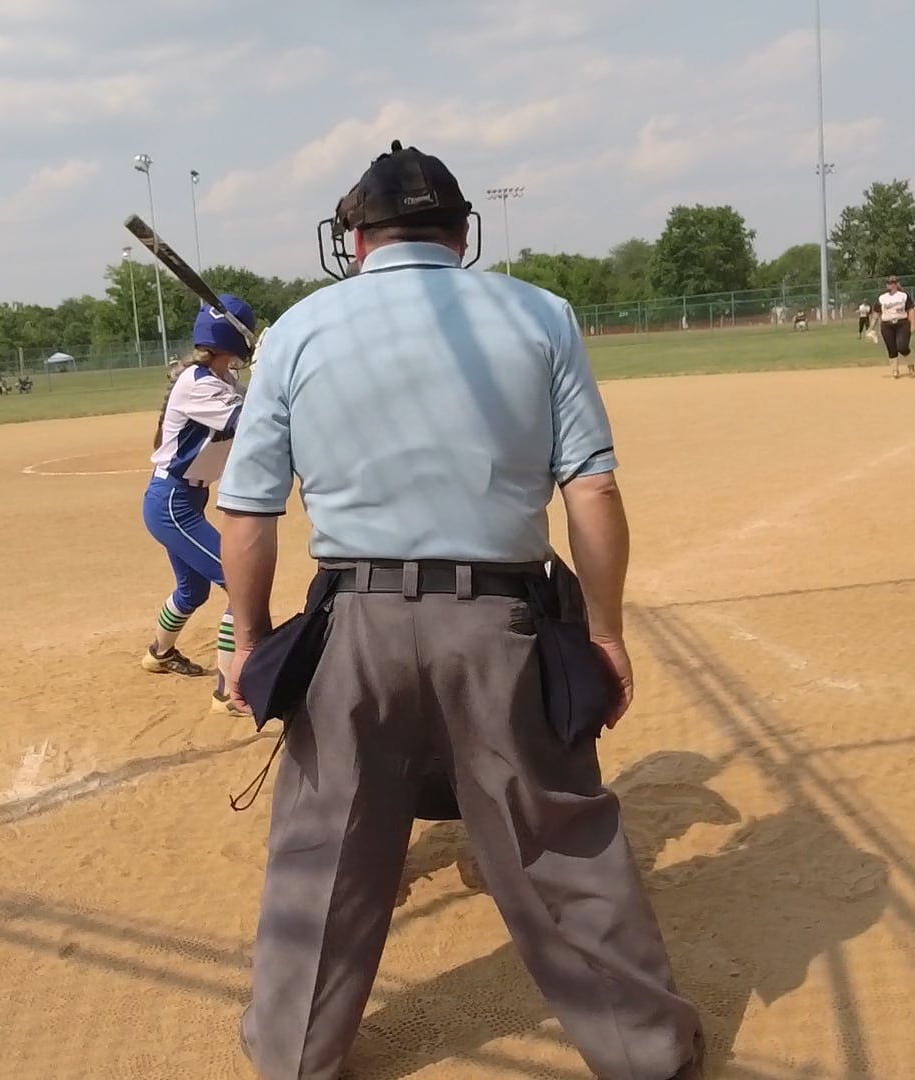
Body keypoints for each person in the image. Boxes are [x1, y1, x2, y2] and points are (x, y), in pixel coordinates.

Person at [216, 142, 702, 1080]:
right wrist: (605, 634)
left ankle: (293, 1054)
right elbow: (592, 491)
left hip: (353, 622)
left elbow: (247, 514)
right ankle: (646, 1057)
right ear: (462, 233)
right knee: (557, 843)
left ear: (356, 239)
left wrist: (251, 639)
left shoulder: (298, 330)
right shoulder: (539, 313)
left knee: (325, 851)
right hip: (499, 623)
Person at [138, 293, 259, 718]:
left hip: (183, 499)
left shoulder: (221, 379)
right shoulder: (200, 382)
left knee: (193, 589)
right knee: (238, 581)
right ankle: (226, 693)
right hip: (172, 503)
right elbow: (250, 420)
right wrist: (267, 371)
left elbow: (250, 401)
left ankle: (159, 653)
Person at [877, 275, 915, 377]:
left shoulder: (903, 296)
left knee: (902, 347)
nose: (890, 285)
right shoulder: (882, 297)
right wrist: (872, 327)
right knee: (891, 349)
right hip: (887, 325)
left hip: (902, 323)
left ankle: (911, 366)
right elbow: (877, 312)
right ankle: (895, 370)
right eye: (888, 283)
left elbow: (910, 310)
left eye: (892, 283)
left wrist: (913, 324)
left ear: (896, 284)